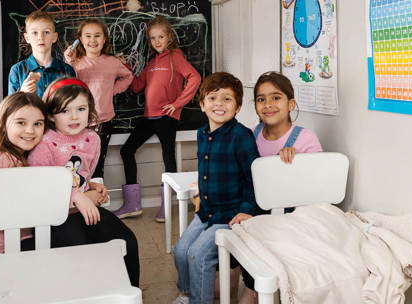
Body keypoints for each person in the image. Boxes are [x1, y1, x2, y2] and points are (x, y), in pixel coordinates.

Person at [28, 77, 140, 287]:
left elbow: (81, 176)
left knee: (127, 241)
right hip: (54, 217)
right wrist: (76, 196)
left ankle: (129, 294)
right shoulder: (44, 144)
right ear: (51, 115)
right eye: (65, 111)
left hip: (83, 211)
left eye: (81, 109)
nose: (74, 117)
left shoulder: (93, 139)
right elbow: (40, 187)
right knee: (82, 251)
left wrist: (91, 187)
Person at [236, 71, 324, 304]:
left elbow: (318, 184)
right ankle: (251, 286)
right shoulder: (251, 135)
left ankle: (256, 289)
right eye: (261, 99)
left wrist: (297, 163)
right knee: (242, 226)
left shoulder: (305, 139)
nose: (268, 105)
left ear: (291, 103)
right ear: (255, 105)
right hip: (257, 207)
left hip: (293, 215)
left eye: (276, 97)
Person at [171, 72, 259, 304]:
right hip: (207, 209)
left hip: (230, 214)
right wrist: (203, 188)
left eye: (227, 99)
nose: (219, 104)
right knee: (181, 250)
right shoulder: (202, 134)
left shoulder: (242, 136)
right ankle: (188, 293)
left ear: (237, 107)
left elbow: (254, 179)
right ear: (202, 105)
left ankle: (201, 301)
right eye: (212, 98)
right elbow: (206, 167)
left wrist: (248, 210)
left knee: (198, 255)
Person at [114, 16, 202, 222]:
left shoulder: (175, 58)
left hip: (166, 117)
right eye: (153, 38)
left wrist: (177, 104)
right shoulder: (152, 62)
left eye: (160, 36)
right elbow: (136, 86)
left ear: (169, 36)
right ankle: (132, 204)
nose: (156, 41)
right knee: (126, 150)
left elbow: (195, 77)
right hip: (148, 117)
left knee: (168, 158)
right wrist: (125, 66)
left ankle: (166, 208)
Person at [63, 18, 133, 184]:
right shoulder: (76, 63)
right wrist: (69, 61)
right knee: (75, 164)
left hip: (103, 122)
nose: (92, 40)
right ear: (80, 39)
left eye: (97, 36)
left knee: (97, 164)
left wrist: (112, 90)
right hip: (77, 123)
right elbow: (66, 84)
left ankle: (96, 205)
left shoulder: (112, 62)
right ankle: (78, 202)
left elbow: (128, 76)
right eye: (87, 36)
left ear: (104, 39)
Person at [0, 92, 48, 254]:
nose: (30, 130)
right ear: (3, 124)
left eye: (38, 124)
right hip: (7, 246)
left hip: (18, 238)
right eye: (21, 122)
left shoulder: (19, 154)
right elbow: (28, 207)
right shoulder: (4, 160)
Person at [8, 10, 75, 98]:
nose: (40, 37)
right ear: (27, 38)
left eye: (46, 32)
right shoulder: (17, 70)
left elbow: (73, 103)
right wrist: (22, 92)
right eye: (35, 33)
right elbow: (11, 108)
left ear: (54, 37)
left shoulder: (67, 70)